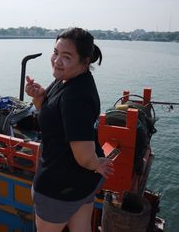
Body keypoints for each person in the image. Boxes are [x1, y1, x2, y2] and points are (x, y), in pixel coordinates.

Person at [25, 27, 115, 232]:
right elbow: (54, 116)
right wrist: (39, 98)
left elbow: (83, 156)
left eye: (66, 56)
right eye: (56, 52)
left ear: (85, 62)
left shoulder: (75, 97)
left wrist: (95, 163)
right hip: (82, 183)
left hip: (59, 187)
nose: (57, 60)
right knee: (81, 228)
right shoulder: (67, 79)